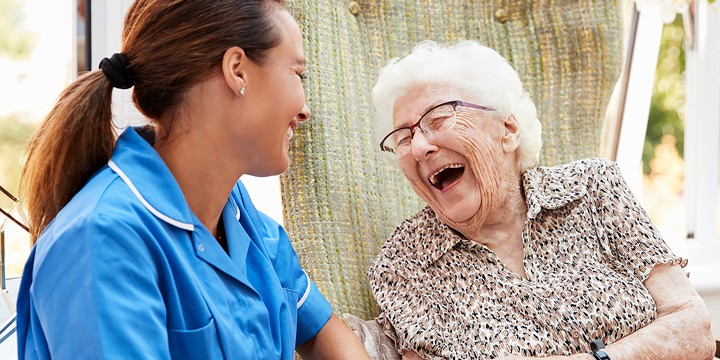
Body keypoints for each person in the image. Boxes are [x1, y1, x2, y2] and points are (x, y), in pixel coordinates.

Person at [16, 0, 371, 359]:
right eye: (298, 74)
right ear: (238, 71)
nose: (305, 109)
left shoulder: (237, 213)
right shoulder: (100, 240)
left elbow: (319, 331)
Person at [347, 40, 715, 359]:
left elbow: (693, 326)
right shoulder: (403, 266)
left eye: (439, 118)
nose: (421, 147)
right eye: (404, 138)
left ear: (507, 130)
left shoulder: (593, 187)